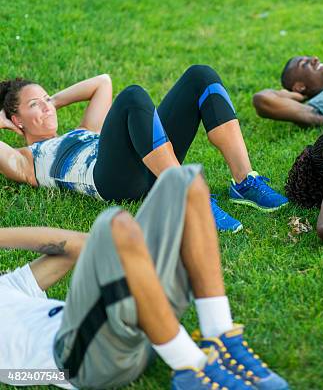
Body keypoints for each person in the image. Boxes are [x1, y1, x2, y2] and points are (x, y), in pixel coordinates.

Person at [0, 165, 289, 390]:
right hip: (80, 359)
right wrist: (55, 373)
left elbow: (78, 246)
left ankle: (221, 336)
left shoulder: (7, 285)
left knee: (186, 182)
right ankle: (192, 366)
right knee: (116, 227)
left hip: (135, 328)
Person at [0, 65, 288, 233]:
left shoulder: (84, 130)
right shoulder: (26, 160)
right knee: (133, 97)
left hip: (147, 160)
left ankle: (245, 181)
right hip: (110, 180)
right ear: (16, 120)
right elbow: (106, 87)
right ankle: (186, 195)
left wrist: (51, 102)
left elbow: (103, 82)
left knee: (201, 76)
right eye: (34, 105)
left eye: (46, 99)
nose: (46, 107)